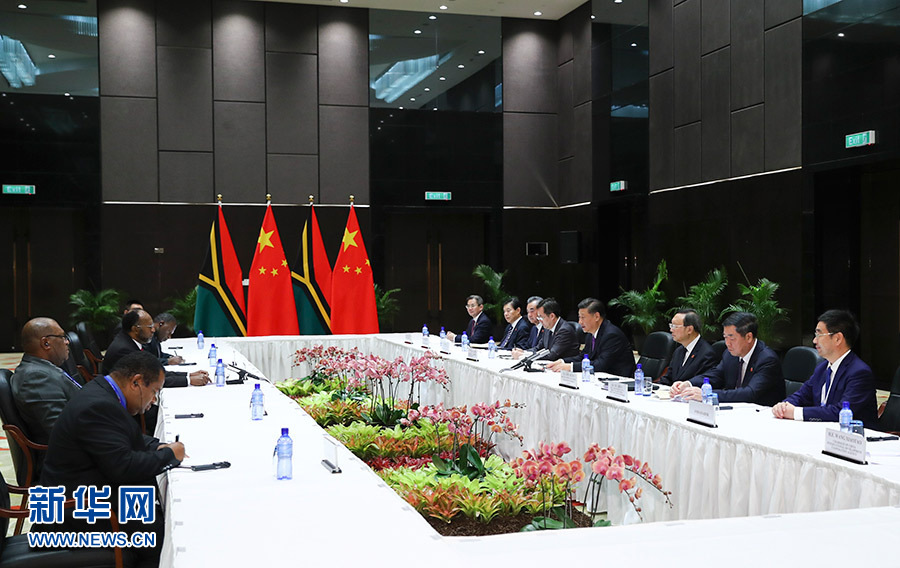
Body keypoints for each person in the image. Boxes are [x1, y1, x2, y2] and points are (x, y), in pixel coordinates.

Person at [39, 351, 185, 567]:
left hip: (84, 492)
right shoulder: (99, 406)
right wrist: (169, 456)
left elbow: (122, 436)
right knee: (159, 532)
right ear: (136, 382)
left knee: (157, 509)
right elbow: (124, 467)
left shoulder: (102, 391)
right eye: (154, 391)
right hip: (73, 511)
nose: (154, 400)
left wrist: (157, 446)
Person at [773, 310, 877, 427]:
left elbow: (839, 412)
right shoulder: (822, 368)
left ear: (837, 339)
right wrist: (784, 406)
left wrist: (796, 413)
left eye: (819, 335)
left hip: (853, 436)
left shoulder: (859, 373)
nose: (814, 340)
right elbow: (802, 395)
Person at [670, 312, 784, 406]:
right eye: (725, 337)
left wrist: (707, 395)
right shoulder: (729, 355)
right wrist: (689, 384)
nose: (727, 343)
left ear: (749, 337)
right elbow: (716, 375)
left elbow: (750, 393)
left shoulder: (767, 359)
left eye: (732, 338)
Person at [10, 318, 82, 446]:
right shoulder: (35, 377)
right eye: (62, 337)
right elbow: (63, 431)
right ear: (46, 343)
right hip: (74, 454)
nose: (67, 342)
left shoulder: (43, 368)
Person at [104, 310, 209, 387]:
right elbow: (149, 379)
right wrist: (188, 380)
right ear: (135, 329)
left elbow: (153, 371)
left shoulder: (131, 342)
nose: (153, 330)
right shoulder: (124, 349)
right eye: (150, 327)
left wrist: (188, 375)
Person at [547, 298, 635, 376]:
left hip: (620, 382)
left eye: (583, 317)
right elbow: (583, 357)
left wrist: (570, 367)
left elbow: (601, 365)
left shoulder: (612, 335)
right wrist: (562, 361)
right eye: (579, 317)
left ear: (596, 316)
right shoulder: (591, 333)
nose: (580, 322)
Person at [659, 309, 718, 385]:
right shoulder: (679, 351)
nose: (671, 330)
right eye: (671, 325)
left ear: (689, 329)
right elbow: (668, 378)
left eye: (675, 326)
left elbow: (703, 382)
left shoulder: (706, 353)